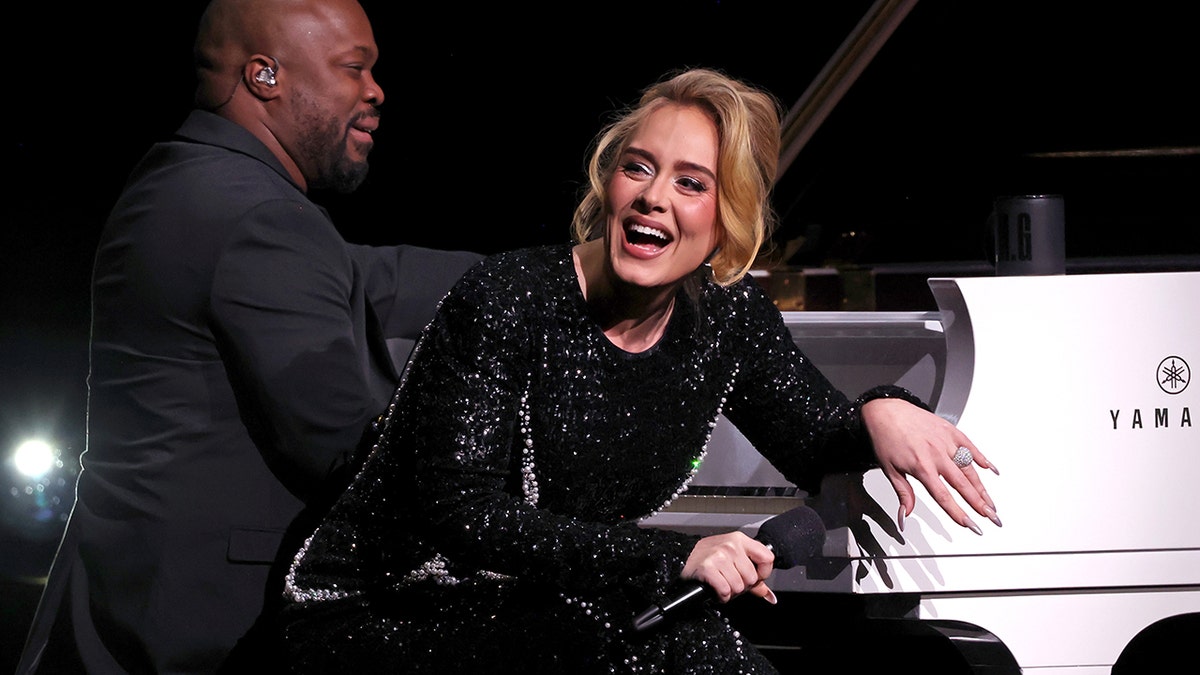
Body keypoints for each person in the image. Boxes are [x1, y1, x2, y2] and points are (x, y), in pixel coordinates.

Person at [277, 67, 1001, 673]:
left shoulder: (724, 318)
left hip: (544, 601)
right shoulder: (507, 299)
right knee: (633, 643)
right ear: (611, 181)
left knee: (701, 647)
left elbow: (813, 436)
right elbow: (463, 518)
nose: (654, 195)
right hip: (382, 607)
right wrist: (675, 554)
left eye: (691, 183)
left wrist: (883, 407)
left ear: (730, 216)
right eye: (639, 167)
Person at [15, 0, 481, 672]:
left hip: (123, 615)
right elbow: (351, 455)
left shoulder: (187, 178)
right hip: (210, 639)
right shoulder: (258, 215)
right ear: (266, 76)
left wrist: (566, 273)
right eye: (355, 69)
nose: (376, 90)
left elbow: (367, 278)